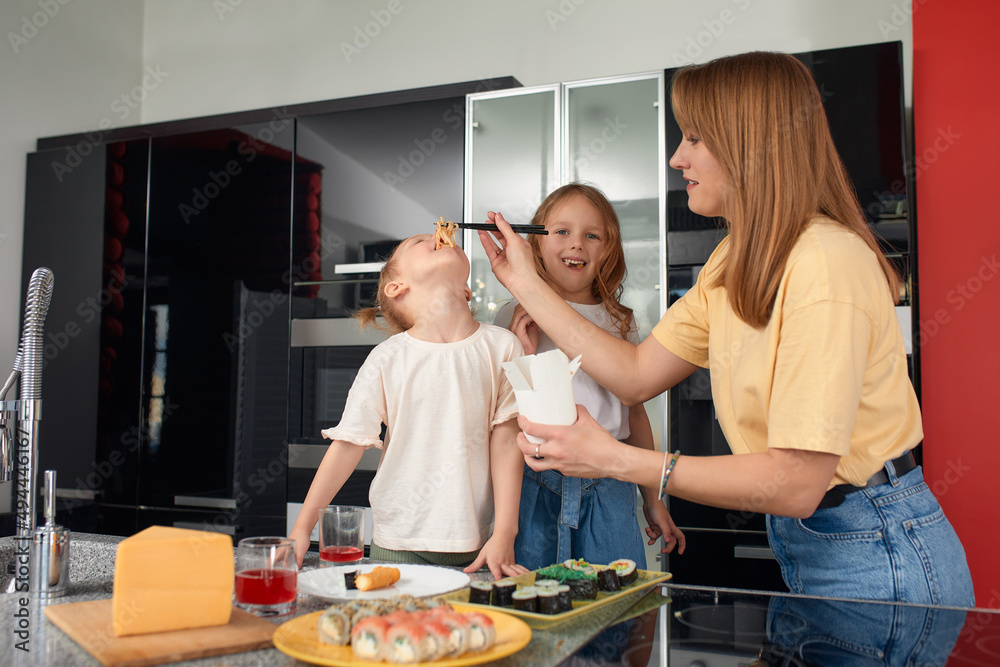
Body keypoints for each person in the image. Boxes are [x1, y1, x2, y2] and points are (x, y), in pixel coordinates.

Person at [478, 51, 974, 606]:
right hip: (813, 537)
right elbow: (636, 374)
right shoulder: (730, 261)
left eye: (694, 138)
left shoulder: (824, 263)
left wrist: (619, 461)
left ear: (749, 145)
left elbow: (796, 483)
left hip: (874, 543)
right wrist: (524, 283)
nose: (675, 157)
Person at [289, 232, 528, 581]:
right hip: (396, 541)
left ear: (467, 290)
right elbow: (347, 446)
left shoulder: (502, 347)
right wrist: (301, 527)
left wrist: (505, 533)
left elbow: (508, 443)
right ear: (396, 287)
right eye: (420, 242)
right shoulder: (387, 358)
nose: (439, 237)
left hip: (478, 545)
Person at [493, 182, 686, 571]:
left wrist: (652, 499)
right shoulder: (513, 317)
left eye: (591, 235)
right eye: (562, 232)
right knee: (532, 605)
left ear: (607, 250)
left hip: (610, 487)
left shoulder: (620, 321)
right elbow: (503, 420)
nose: (576, 243)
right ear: (533, 245)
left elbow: (634, 416)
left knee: (614, 607)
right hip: (535, 485)